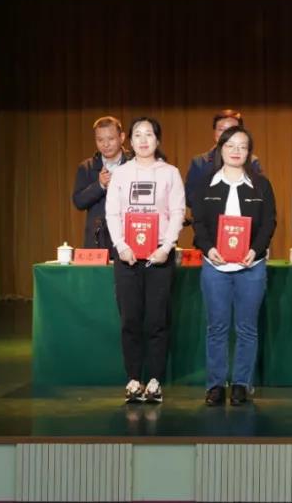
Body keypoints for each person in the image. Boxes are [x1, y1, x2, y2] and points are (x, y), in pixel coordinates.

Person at [191, 126, 277, 406]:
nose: (236, 151)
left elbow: (269, 223)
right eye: (230, 145)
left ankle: (241, 384)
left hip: (251, 266)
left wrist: (255, 250)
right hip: (215, 266)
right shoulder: (205, 184)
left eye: (242, 146)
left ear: (249, 152)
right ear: (221, 149)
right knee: (216, 328)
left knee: (247, 328)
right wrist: (209, 249)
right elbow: (199, 224)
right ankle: (216, 385)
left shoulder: (261, 185)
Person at [105, 117, 185, 403]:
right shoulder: (121, 174)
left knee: (156, 320)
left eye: (148, 134)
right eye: (137, 134)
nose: (143, 140)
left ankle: (154, 380)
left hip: (158, 257)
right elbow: (112, 213)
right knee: (130, 319)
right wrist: (121, 245)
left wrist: (167, 246)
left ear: (157, 140)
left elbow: (177, 212)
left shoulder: (170, 173)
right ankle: (133, 379)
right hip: (127, 257)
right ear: (130, 140)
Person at [72, 116, 130, 257]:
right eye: (100, 140)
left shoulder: (134, 164)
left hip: (128, 238)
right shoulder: (87, 167)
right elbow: (79, 201)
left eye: (111, 139)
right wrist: (99, 185)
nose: (106, 144)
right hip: (98, 240)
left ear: (122, 137)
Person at [185, 110, 262, 210]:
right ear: (214, 132)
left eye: (232, 130)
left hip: (243, 216)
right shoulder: (200, 162)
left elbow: (259, 195)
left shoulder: (251, 161)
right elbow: (190, 197)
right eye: (221, 129)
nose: (226, 134)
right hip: (209, 216)